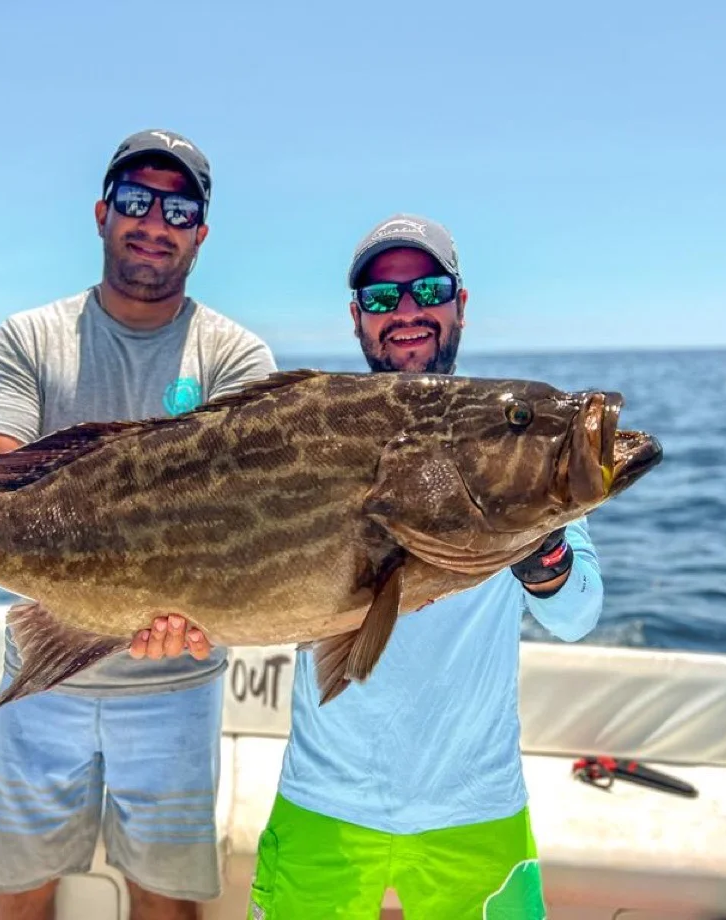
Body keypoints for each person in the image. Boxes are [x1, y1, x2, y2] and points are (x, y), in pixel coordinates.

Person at [149, 214, 603, 919]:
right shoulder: (305, 428)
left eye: (427, 289)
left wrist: (541, 549)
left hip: (477, 812)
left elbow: (577, 616)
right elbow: (227, 553)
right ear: (359, 318)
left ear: (460, 302)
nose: (408, 312)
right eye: (384, 299)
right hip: (322, 805)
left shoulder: (516, 447)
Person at [0, 129, 276, 920]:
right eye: (137, 201)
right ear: (103, 213)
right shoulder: (28, 336)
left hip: (177, 679)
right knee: (14, 891)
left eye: (178, 207)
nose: (156, 221)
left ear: (201, 233)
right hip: (46, 672)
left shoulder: (238, 358)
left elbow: (241, 520)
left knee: (165, 899)